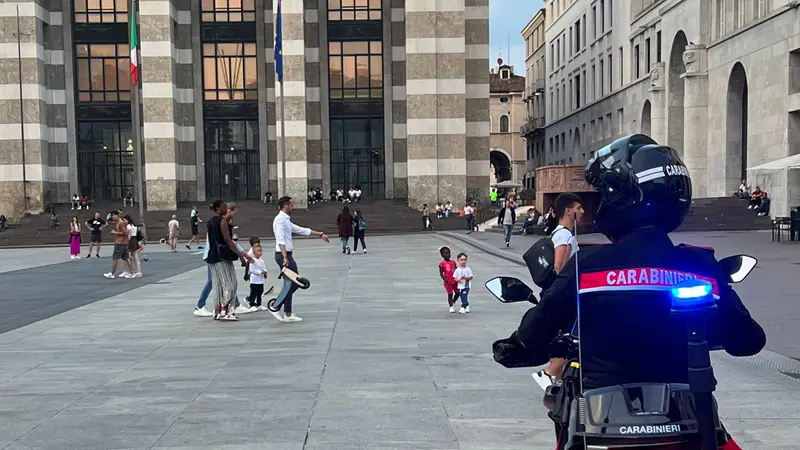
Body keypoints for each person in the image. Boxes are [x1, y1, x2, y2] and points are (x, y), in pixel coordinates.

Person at [493, 134, 763, 450]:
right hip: (689, 428)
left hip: (602, 428)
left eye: (603, 194)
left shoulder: (589, 264)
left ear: (621, 199)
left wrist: (514, 348)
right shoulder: (699, 263)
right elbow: (749, 341)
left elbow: (533, 332)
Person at [272, 196, 329, 322]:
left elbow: (301, 230)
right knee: (296, 282)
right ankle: (276, 305)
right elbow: (280, 239)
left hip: (286, 254)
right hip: (283, 255)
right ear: (286, 206)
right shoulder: (280, 220)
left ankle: (287, 313)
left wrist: (319, 234)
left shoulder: (285, 220)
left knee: (290, 283)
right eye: (292, 205)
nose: (293, 207)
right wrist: (285, 257)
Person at [206, 201, 251, 321]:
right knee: (231, 284)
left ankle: (217, 310)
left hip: (212, 256)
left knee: (218, 284)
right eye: (224, 207)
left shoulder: (211, 221)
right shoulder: (223, 221)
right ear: (218, 209)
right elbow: (228, 240)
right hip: (222, 256)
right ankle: (227, 310)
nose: (226, 209)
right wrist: (241, 256)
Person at [550, 193, 583, 275]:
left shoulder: (559, 232)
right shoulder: (564, 235)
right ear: (568, 211)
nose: (582, 211)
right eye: (578, 208)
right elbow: (559, 268)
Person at [104, 211, 134, 279]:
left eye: (115, 215)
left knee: (115, 258)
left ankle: (112, 273)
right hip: (123, 242)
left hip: (120, 243)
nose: (114, 216)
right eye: (113, 215)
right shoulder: (119, 222)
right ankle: (131, 273)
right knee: (126, 258)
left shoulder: (120, 223)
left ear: (118, 215)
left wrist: (115, 232)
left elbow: (124, 233)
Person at [246, 244, 269, 311]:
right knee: (254, 292)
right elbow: (252, 270)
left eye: (261, 251)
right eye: (258, 251)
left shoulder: (261, 260)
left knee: (260, 292)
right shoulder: (253, 261)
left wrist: (265, 272)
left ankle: (259, 304)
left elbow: (263, 268)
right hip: (254, 280)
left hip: (260, 280)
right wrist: (260, 272)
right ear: (254, 253)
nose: (260, 252)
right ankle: (252, 304)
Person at [438, 246, 459, 313]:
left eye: (449, 253)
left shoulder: (453, 262)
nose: (448, 255)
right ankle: (451, 306)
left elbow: (456, 270)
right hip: (448, 281)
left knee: (458, 293)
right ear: (442, 255)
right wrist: (445, 279)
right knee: (450, 294)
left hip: (455, 281)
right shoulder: (442, 264)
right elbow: (441, 273)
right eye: (446, 253)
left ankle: (453, 301)